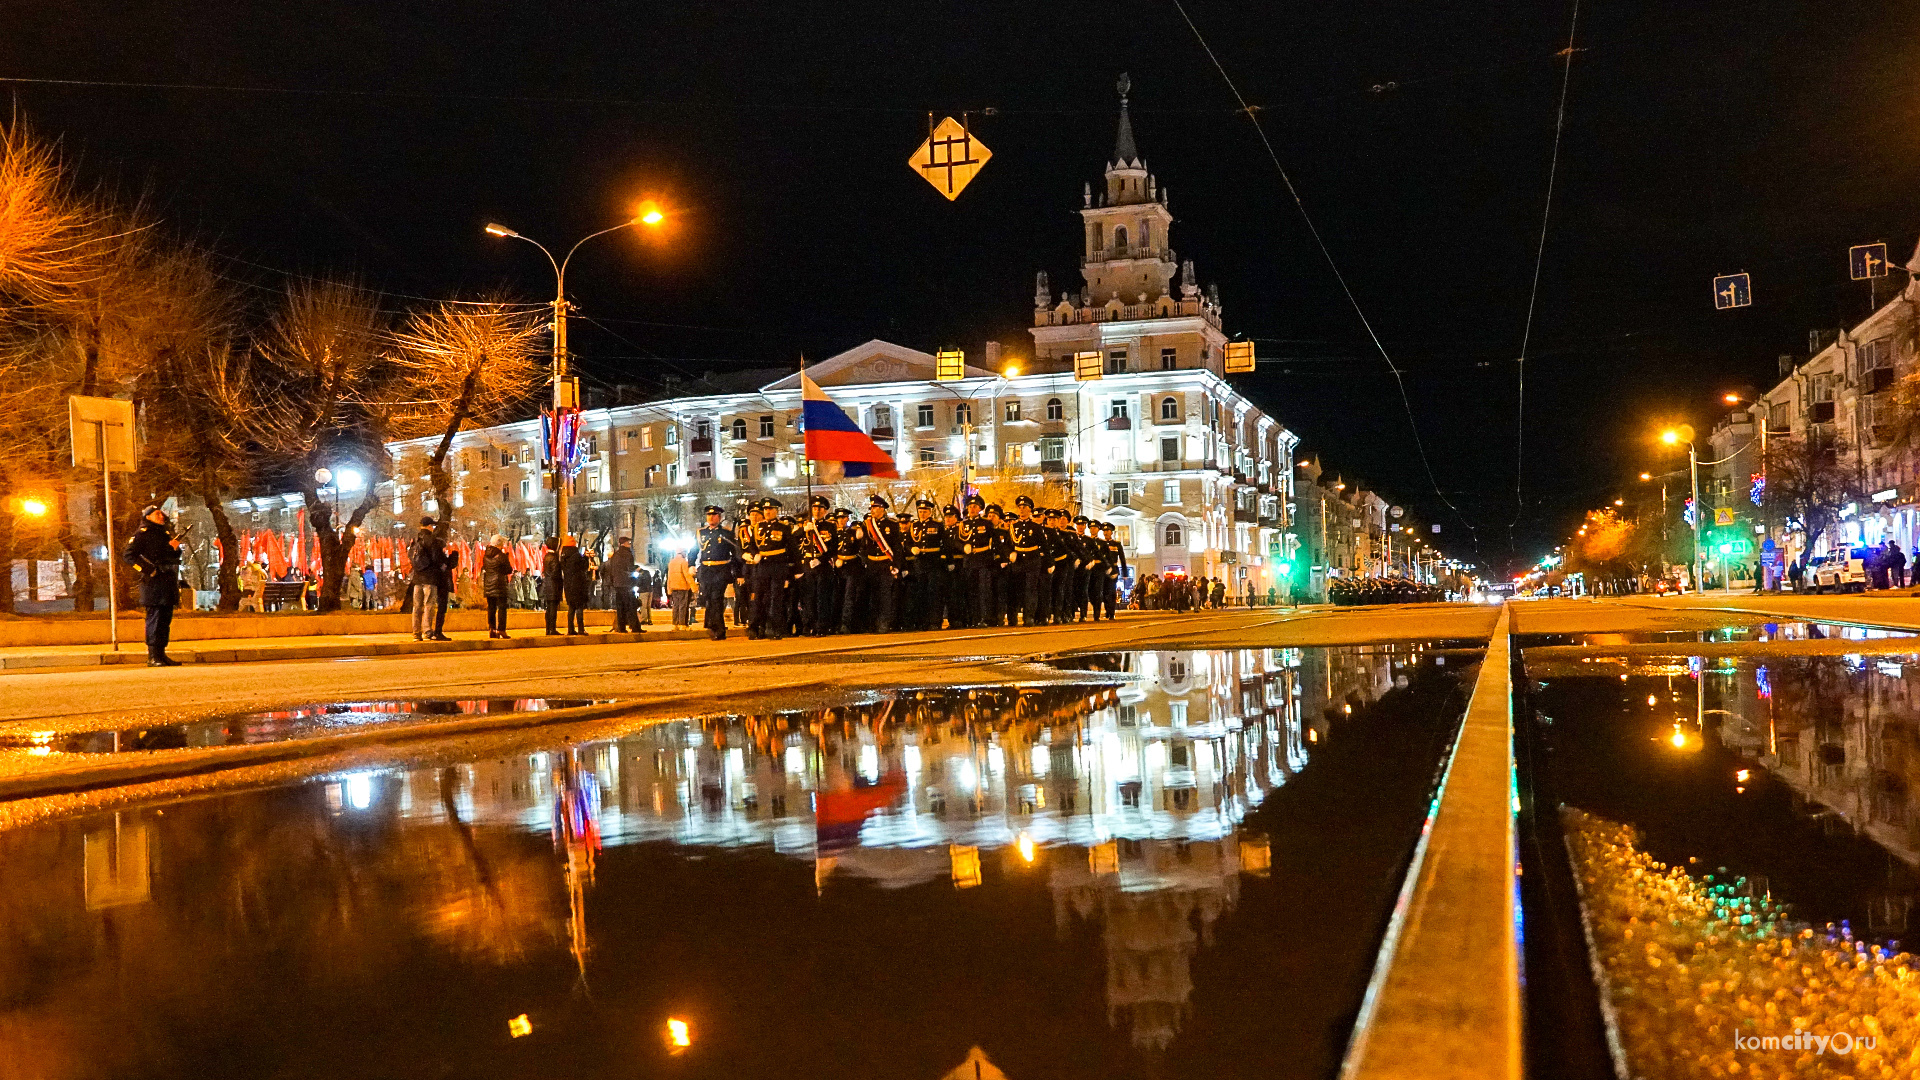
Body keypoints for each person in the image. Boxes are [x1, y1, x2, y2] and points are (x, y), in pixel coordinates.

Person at [125, 504, 183, 666]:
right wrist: (148, 570)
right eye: (157, 514)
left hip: (167, 580)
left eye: (161, 514)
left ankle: (161, 654)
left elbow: (170, 556)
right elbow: (129, 556)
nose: (161, 516)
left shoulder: (164, 533)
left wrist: (175, 548)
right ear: (148, 517)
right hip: (153, 582)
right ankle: (153, 655)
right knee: (155, 619)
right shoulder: (142, 534)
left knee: (165, 619)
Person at [695, 505, 741, 640]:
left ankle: (719, 630)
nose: (711, 517)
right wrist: (692, 565)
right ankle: (711, 625)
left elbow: (735, 553)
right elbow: (694, 550)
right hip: (706, 570)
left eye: (714, 515)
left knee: (716, 599)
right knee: (708, 599)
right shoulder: (701, 533)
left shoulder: (726, 533)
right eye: (708, 515)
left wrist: (738, 572)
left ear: (719, 518)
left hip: (720, 570)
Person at [407, 517, 445, 642]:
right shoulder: (432, 540)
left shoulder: (415, 540)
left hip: (417, 577)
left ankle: (416, 632)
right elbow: (436, 558)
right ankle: (427, 630)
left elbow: (410, 556)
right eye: (432, 526)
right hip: (429, 577)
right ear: (429, 526)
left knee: (416, 606)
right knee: (429, 604)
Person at [604, 536, 643, 633]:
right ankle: (635, 627)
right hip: (627, 584)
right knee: (631, 606)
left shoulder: (615, 555)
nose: (629, 544)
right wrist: (637, 569)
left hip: (617, 584)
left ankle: (621, 627)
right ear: (624, 544)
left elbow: (611, 570)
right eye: (628, 543)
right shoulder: (627, 554)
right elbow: (629, 568)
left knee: (620, 607)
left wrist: (613, 581)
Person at [481, 535, 513, 638]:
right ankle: (501, 629)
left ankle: (492, 629)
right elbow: (509, 570)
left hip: (489, 585)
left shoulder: (486, 556)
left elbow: (486, 568)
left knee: (491, 608)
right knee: (502, 608)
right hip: (499, 585)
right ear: (499, 544)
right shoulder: (501, 556)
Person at [560, 535, 590, 635]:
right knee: (579, 607)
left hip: (568, 584)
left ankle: (570, 629)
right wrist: (586, 557)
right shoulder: (576, 556)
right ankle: (581, 629)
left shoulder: (563, 556)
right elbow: (584, 567)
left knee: (571, 607)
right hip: (578, 584)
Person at [667, 545, 695, 628]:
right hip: (682, 586)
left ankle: (675, 624)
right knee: (682, 606)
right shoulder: (683, 562)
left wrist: (669, 588)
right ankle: (682, 624)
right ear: (683, 553)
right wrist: (693, 586)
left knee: (675, 606)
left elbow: (669, 576)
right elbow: (687, 575)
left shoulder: (671, 562)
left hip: (674, 587)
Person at [540, 537, 563, 636]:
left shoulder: (547, 556)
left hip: (548, 585)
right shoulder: (554, 557)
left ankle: (548, 629)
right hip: (554, 586)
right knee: (553, 608)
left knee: (549, 608)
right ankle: (552, 629)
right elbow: (555, 573)